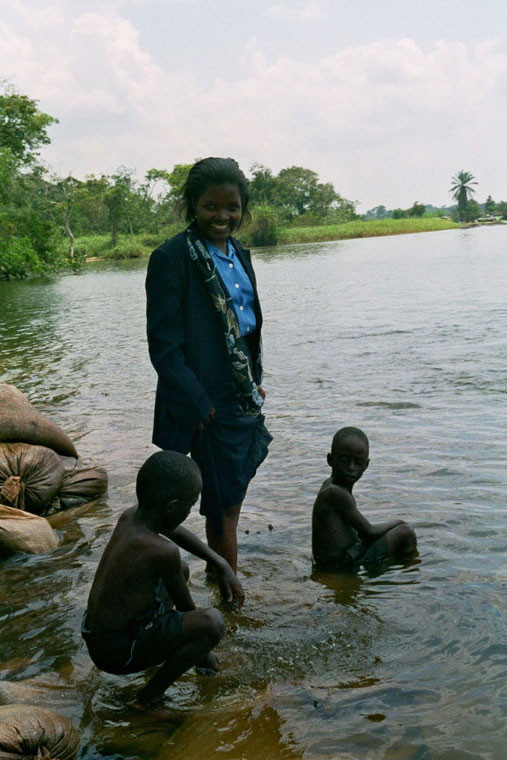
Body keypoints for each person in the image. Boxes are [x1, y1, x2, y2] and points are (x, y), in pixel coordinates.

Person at [146, 157, 272, 574]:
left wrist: (255, 380)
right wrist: (202, 407)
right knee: (221, 510)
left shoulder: (238, 253)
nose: (223, 216)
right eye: (211, 207)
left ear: (243, 207)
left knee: (232, 500)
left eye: (231, 207)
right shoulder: (172, 258)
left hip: (240, 398)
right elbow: (165, 350)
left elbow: (246, 327)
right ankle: (230, 600)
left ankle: (222, 591)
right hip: (205, 408)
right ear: (191, 205)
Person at [82, 451, 244, 716]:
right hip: (118, 655)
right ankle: (148, 699)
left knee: (181, 570)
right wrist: (208, 658)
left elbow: (174, 530)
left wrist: (219, 562)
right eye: (190, 505)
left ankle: (158, 658)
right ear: (172, 507)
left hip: (100, 641)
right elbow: (186, 608)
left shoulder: (132, 517)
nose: (190, 510)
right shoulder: (162, 552)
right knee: (211, 623)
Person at [312, 427, 417, 571]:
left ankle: (383, 570)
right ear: (330, 460)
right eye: (344, 460)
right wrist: (398, 522)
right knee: (406, 533)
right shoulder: (336, 493)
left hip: (343, 555)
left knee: (395, 532)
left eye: (358, 462)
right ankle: (398, 576)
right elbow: (369, 532)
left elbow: (362, 533)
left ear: (366, 465)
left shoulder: (331, 486)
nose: (351, 468)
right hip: (342, 562)